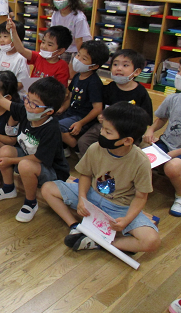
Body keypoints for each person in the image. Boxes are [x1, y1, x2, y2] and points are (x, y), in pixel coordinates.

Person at [42, 102, 161, 253]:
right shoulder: (95, 148)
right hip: (91, 196)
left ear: (127, 140)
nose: (102, 134)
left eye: (108, 132)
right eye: (102, 129)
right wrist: (82, 199)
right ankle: (75, 227)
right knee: (48, 188)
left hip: (120, 208)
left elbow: (141, 197)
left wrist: (127, 220)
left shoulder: (141, 162)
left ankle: (100, 241)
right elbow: (85, 175)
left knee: (152, 241)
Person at [0, 74, 69, 222]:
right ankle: (9, 188)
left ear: (49, 111)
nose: (28, 105)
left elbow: (38, 158)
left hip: (51, 172)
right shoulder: (25, 111)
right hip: (29, 160)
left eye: (34, 104)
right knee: (5, 150)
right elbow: (0, 99)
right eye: (27, 99)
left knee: (24, 165)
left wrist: (11, 161)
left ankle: (31, 202)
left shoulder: (52, 129)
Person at [78, 49, 153, 157]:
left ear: (136, 72)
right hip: (105, 127)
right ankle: (93, 166)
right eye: (115, 64)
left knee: (128, 150)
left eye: (125, 65)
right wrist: (100, 116)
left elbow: (146, 119)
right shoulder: (108, 88)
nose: (119, 68)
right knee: (84, 141)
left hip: (128, 131)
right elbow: (100, 109)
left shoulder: (141, 93)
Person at [57, 40, 109, 155]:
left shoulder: (94, 83)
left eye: (84, 59)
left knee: (57, 126)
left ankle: (77, 149)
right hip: (71, 113)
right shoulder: (77, 77)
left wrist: (80, 123)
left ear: (94, 66)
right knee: (48, 119)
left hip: (83, 118)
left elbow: (97, 108)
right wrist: (61, 109)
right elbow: (70, 97)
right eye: (78, 55)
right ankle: (63, 147)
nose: (78, 59)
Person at [143, 68, 181, 217]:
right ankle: (138, 188)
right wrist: (151, 130)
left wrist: (175, 153)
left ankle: (179, 196)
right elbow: (162, 119)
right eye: (179, 71)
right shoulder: (173, 99)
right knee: (142, 158)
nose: (178, 75)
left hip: (177, 152)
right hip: (166, 142)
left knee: (173, 167)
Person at [8, 18, 72, 87]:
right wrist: (13, 31)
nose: (44, 46)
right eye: (43, 42)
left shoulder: (62, 66)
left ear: (60, 51)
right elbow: (21, 50)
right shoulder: (38, 56)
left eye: (49, 45)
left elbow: (61, 90)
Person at [50, 0, 92, 65]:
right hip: (63, 48)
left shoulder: (78, 17)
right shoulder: (56, 14)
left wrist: (79, 58)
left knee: (72, 72)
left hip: (77, 49)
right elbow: (54, 34)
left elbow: (79, 41)